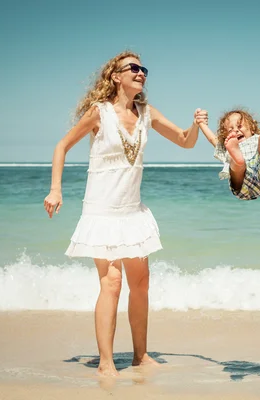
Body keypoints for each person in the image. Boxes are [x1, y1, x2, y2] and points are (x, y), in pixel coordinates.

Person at [43, 50, 207, 376]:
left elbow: (185, 142)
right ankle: (106, 362)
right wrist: (56, 189)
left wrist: (195, 125)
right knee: (112, 283)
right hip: (101, 211)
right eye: (133, 68)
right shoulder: (98, 113)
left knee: (142, 283)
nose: (140, 72)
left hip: (133, 212)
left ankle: (140, 356)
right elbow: (61, 146)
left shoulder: (147, 113)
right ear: (116, 76)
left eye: (143, 68)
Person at [199, 97, 260, 200]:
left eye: (239, 126)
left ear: (252, 127)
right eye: (231, 129)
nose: (235, 130)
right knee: (234, 163)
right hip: (243, 185)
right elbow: (212, 138)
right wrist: (201, 123)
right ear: (225, 136)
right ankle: (238, 161)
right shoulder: (227, 147)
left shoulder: (256, 139)